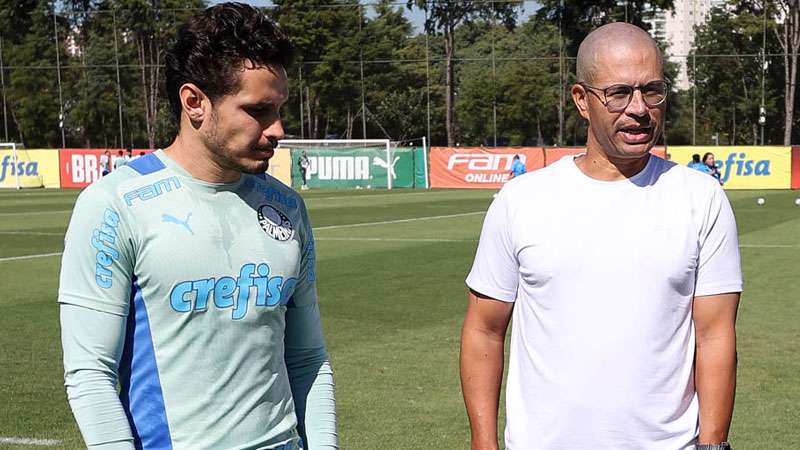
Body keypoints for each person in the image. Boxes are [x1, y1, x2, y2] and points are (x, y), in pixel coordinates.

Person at [58, 4, 337, 450]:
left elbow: (307, 357)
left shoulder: (287, 206)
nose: (277, 129)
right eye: (258, 110)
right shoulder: (114, 206)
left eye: (280, 108)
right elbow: (90, 372)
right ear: (195, 102)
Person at [461, 23, 741, 450]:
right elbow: (484, 330)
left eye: (652, 90)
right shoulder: (521, 200)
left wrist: (713, 445)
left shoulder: (701, 198)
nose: (639, 108)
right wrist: (484, 445)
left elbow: (716, 334)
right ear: (581, 101)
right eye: (619, 93)